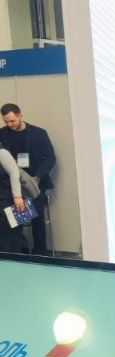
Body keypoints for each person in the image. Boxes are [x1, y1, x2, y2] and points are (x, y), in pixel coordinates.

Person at [0, 103, 55, 255]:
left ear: (20, 115)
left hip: (34, 184)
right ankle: (19, 251)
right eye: (6, 121)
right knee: (14, 221)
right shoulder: (2, 134)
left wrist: (37, 176)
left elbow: (50, 158)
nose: (9, 124)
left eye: (12, 121)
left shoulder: (39, 133)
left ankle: (40, 254)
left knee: (37, 220)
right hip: (11, 186)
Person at [0, 141, 25, 253]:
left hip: (9, 200)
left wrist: (17, 196)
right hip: (6, 200)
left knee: (11, 239)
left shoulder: (2, 153)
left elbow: (15, 173)